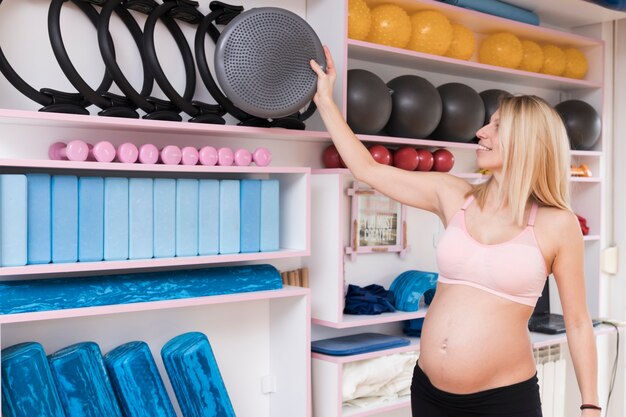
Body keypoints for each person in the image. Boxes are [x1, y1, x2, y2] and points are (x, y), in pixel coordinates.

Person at [310, 46, 600, 417]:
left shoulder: (557, 224)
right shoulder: (453, 194)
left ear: (527, 141)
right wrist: (325, 100)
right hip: (429, 393)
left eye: (496, 126)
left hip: (502, 401)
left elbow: (577, 322)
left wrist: (591, 407)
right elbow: (368, 169)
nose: (480, 131)